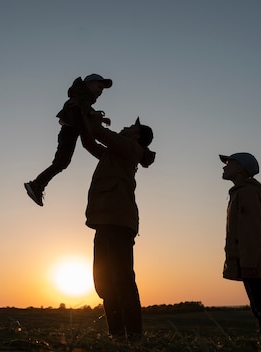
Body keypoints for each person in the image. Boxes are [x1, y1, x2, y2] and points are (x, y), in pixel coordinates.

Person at [82, 115, 155, 340]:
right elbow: (89, 142)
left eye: (130, 127)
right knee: (104, 280)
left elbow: (99, 134)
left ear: (136, 136)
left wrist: (86, 111)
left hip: (118, 221)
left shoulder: (130, 147)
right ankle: (117, 334)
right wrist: (79, 123)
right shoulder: (115, 152)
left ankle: (132, 333)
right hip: (106, 220)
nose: (124, 126)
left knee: (122, 277)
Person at [219, 152, 261, 340]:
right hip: (254, 259)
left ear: (240, 168)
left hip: (255, 261)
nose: (224, 166)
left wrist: (248, 263)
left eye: (228, 163)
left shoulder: (247, 192)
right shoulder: (243, 191)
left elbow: (251, 231)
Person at [24, 73, 113, 206]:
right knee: (62, 162)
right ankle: (36, 184)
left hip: (70, 130)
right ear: (89, 84)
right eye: (99, 87)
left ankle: (38, 184)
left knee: (63, 161)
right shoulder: (82, 95)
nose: (101, 91)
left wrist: (95, 115)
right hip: (69, 131)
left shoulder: (81, 97)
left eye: (102, 89)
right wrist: (92, 113)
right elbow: (83, 105)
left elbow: (81, 109)